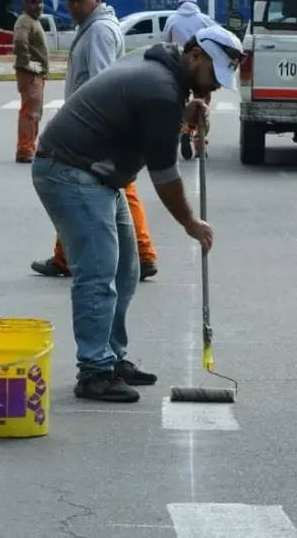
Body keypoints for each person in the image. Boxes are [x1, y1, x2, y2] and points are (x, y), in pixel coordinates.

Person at [31, 25, 246, 403]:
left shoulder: (164, 71)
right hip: (70, 170)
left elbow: (141, 115)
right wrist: (190, 223)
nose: (214, 88)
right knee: (98, 273)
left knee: (126, 269)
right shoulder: (161, 90)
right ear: (194, 55)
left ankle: (111, 358)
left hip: (97, 173)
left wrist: (184, 111)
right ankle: (95, 372)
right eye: (214, 75)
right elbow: (165, 175)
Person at [30, 0, 160, 282]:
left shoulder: (99, 30)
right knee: (78, 184)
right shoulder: (93, 27)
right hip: (88, 124)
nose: (74, 5)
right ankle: (65, 256)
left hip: (92, 125)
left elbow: (102, 81)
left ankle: (142, 253)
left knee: (115, 187)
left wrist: (91, 124)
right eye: (70, 0)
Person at [162, 0, 219, 161]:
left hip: (179, 67)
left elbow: (165, 42)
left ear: (179, 3)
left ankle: (185, 128)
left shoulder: (172, 19)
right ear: (196, 3)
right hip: (200, 69)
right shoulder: (205, 19)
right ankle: (199, 139)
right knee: (202, 103)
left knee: (182, 103)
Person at [12, 0, 50, 163]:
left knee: (35, 111)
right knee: (30, 112)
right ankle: (25, 149)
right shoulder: (25, 21)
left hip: (36, 73)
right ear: (25, 4)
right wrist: (27, 62)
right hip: (30, 74)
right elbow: (20, 41)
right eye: (34, 2)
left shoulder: (32, 20)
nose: (39, 5)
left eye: (40, 2)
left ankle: (28, 147)